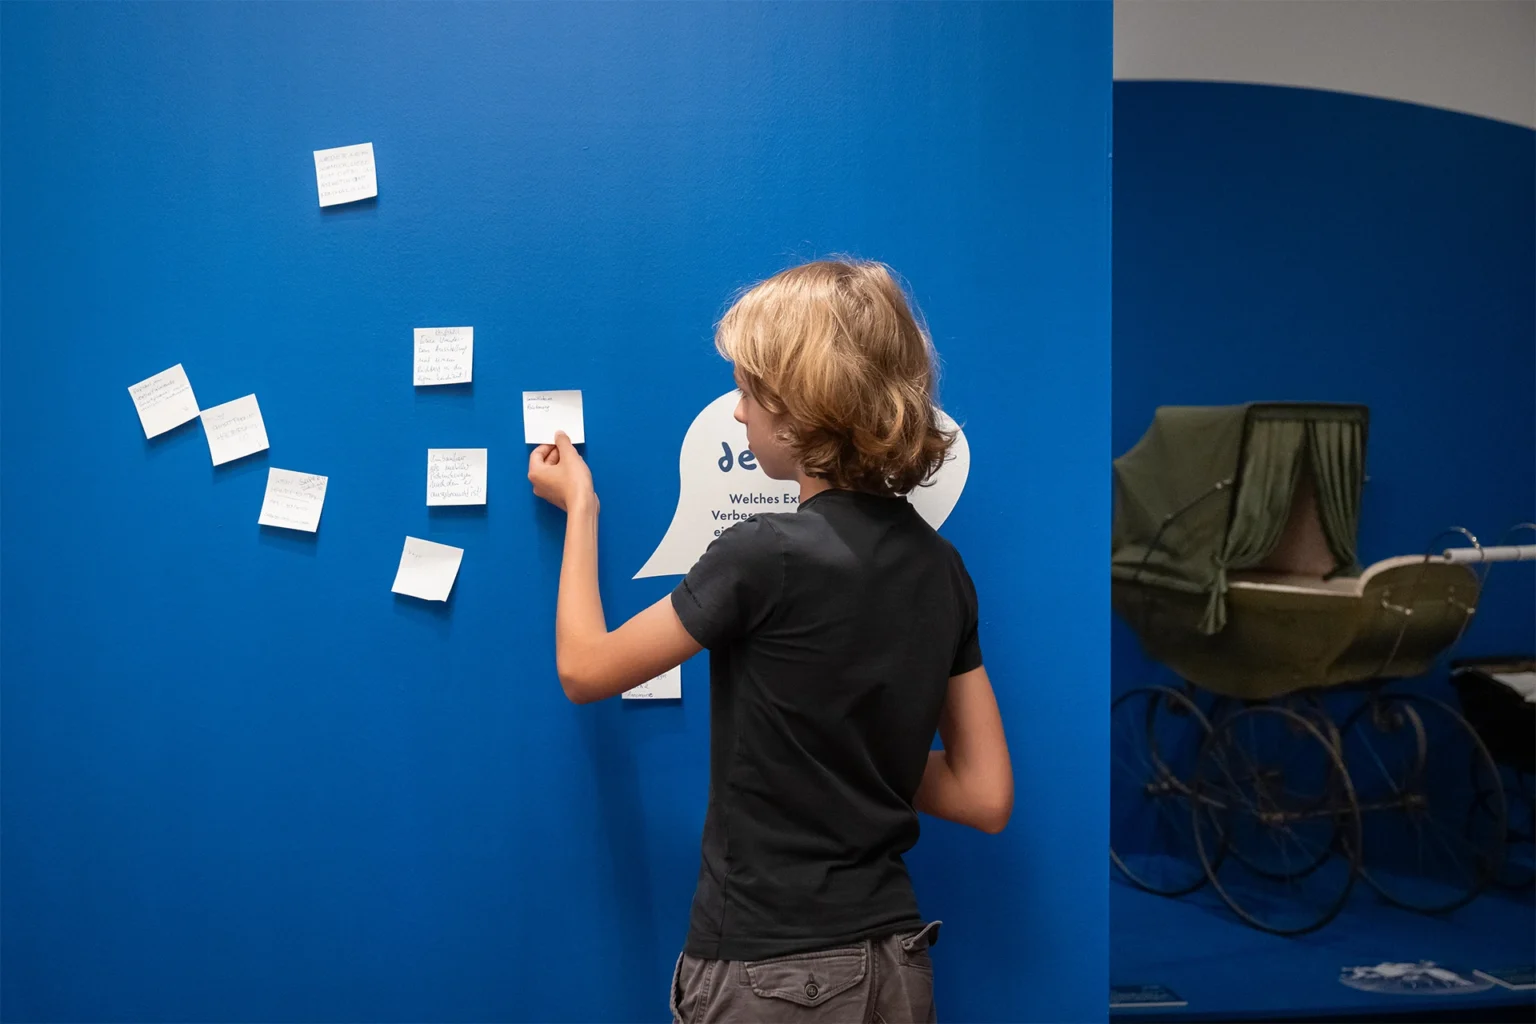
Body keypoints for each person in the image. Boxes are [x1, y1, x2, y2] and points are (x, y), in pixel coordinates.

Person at [527, 259, 1012, 1024]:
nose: (738, 415)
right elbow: (984, 796)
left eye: (749, 393)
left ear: (799, 411)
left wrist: (579, 507)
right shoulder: (941, 567)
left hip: (774, 976)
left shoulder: (765, 553)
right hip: (896, 966)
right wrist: (851, 753)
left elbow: (585, 669)